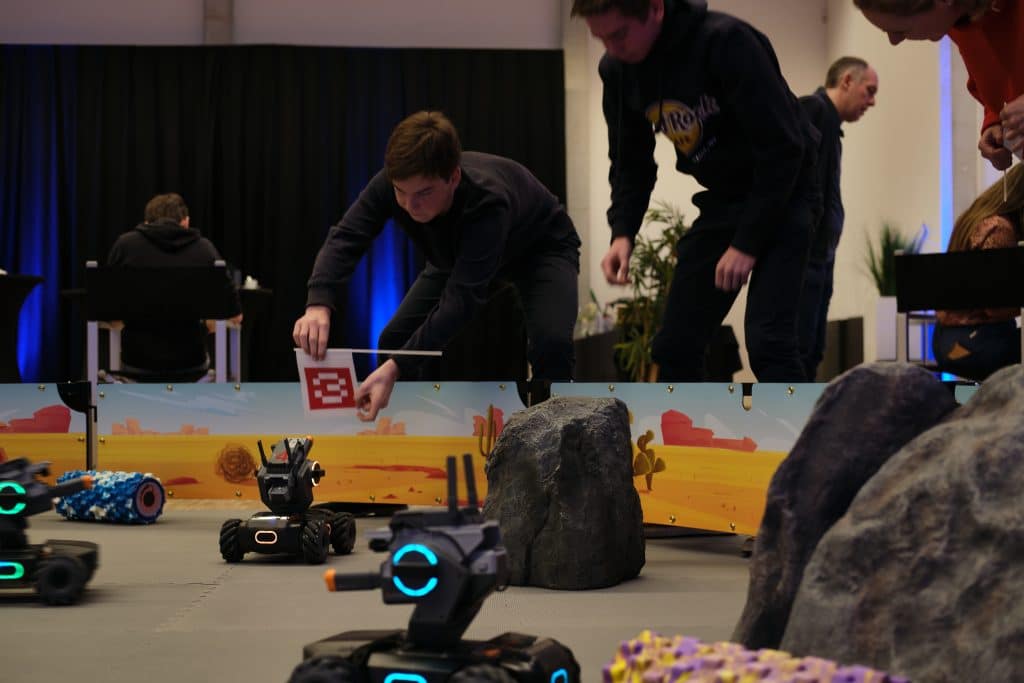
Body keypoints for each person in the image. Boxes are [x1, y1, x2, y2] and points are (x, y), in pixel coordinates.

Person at [572, 0, 821, 381]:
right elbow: (629, 161)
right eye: (600, 38)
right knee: (674, 346)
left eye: (619, 34)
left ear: (655, 8)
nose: (612, 48)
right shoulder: (617, 70)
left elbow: (784, 148)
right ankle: (693, 422)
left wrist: (746, 243)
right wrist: (623, 232)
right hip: (723, 199)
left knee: (769, 342)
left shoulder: (726, 42)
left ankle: (801, 423)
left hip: (786, 191)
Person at [293, 111, 581, 421]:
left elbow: (462, 300)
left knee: (551, 343)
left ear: (453, 178)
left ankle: (555, 436)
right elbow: (347, 236)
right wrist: (318, 302)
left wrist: (397, 366)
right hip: (456, 256)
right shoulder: (391, 182)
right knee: (394, 343)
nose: (410, 206)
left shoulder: (488, 201)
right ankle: (411, 433)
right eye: (400, 192)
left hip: (541, 249)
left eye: (424, 193)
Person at [854, 0, 1022, 170]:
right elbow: (996, 82)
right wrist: (994, 122)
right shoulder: (958, 22)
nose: (894, 41)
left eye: (899, 30)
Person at [798, 57, 879, 380]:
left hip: (820, 256)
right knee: (800, 350)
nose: (872, 101)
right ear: (847, 81)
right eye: (869, 90)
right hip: (806, 256)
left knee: (812, 349)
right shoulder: (814, 111)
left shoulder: (831, 126)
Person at [106, 193, 242, 380]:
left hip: (136, 361)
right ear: (185, 222)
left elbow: (107, 308)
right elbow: (235, 315)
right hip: (192, 364)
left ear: (146, 222)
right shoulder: (205, 249)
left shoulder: (125, 246)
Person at [932, 164, 1024, 380]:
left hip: (945, 339)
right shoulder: (999, 229)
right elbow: (995, 305)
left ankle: (968, 396)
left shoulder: (973, 218)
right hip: (972, 343)